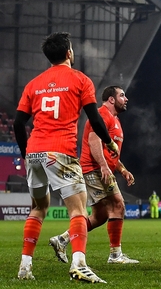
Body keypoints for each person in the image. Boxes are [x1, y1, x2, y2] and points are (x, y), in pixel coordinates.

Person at [13, 32, 120, 283]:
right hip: (61, 151)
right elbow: (95, 119)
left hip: (35, 152)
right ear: (69, 53)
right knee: (78, 210)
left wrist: (26, 153)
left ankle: (25, 267)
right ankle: (79, 264)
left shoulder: (34, 84)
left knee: (38, 208)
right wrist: (109, 142)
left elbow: (18, 123)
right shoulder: (80, 80)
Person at [49, 86, 139, 265]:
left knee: (100, 215)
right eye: (122, 95)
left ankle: (62, 239)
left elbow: (111, 152)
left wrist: (122, 169)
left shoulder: (115, 120)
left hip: (98, 168)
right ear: (111, 99)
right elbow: (93, 141)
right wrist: (104, 166)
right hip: (94, 168)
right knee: (118, 205)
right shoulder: (102, 115)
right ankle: (115, 255)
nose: (126, 99)